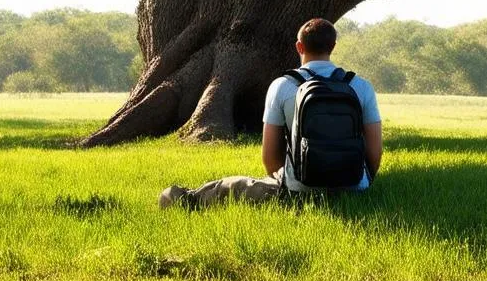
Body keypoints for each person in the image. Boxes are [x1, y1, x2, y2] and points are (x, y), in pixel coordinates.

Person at [159, 18, 383, 209]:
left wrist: (288, 181)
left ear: (299, 47)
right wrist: (360, 184)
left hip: (299, 189)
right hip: (354, 186)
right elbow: (375, 152)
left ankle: (186, 200)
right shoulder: (360, 86)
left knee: (236, 187)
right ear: (333, 46)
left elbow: (269, 158)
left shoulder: (282, 86)